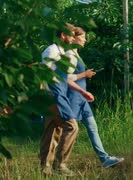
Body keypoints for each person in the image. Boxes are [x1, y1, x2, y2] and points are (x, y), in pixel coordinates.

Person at [39, 24, 95, 177]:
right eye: (71, 35)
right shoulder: (51, 51)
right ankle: (60, 165)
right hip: (52, 95)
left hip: (57, 94)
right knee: (72, 127)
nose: (73, 37)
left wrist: (82, 91)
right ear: (63, 36)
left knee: (52, 130)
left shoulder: (63, 52)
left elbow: (67, 78)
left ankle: (45, 168)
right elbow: (46, 75)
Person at [66, 26, 125, 168]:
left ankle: (105, 159)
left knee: (92, 127)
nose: (85, 40)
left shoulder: (76, 53)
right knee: (66, 131)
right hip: (73, 98)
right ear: (73, 37)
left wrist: (86, 75)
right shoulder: (68, 55)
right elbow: (66, 78)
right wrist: (84, 75)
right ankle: (56, 161)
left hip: (82, 98)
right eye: (83, 37)